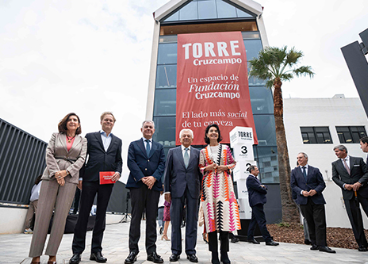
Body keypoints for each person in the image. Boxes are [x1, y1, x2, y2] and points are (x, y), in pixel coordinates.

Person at [29, 113, 87, 264]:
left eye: (75, 120)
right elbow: (49, 153)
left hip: (70, 178)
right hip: (50, 176)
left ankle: (52, 254)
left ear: (79, 124)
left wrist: (66, 172)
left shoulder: (83, 140)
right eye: (70, 119)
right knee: (42, 215)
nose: (72, 121)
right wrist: (56, 173)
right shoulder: (55, 136)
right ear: (65, 123)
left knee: (61, 218)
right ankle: (36, 254)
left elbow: (82, 159)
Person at [70, 112, 122, 264]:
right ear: (101, 121)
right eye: (106, 119)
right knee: (83, 214)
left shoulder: (117, 141)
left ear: (113, 123)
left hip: (107, 182)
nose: (108, 122)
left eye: (111, 120)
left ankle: (96, 250)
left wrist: (118, 172)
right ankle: (77, 252)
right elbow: (82, 157)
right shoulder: (90, 136)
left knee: (101, 216)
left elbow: (119, 160)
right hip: (89, 180)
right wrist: (80, 177)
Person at [199, 124, 241, 264]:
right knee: (211, 223)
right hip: (209, 188)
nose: (213, 133)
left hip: (224, 186)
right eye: (211, 131)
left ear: (218, 134)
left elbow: (233, 163)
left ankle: (225, 254)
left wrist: (225, 167)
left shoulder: (226, 148)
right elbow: (200, 168)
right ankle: (214, 255)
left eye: (215, 131)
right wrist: (207, 168)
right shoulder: (203, 151)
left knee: (224, 222)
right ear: (207, 134)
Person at [124, 120, 165, 264]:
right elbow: (131, 162)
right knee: (135, 219)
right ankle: (133, 251)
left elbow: (162, 164)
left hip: (153, 187)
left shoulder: (159, 147)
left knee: (151, 220)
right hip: (137, 185)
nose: (148, 129)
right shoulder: (133, 145)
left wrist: (153, 178)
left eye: (151, 127)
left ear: (154, 130)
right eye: (146, 127)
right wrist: (142, 178)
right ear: (141, 129)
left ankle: (151, 252)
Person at [164, 129, 202, 263]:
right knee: (175, 222)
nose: (186, 137)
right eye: (184, 136)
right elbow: (167, 172)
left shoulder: (199, 153)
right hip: (176, 191)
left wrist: (202, 191)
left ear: (192, 139)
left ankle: (191, 252)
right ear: (180, 139)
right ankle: (175, 252)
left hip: (193, 190)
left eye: (188, 136)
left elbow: (201, 173)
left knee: (192, 222)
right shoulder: (172, 152)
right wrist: (166, 191)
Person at [290, 152, 335, 253]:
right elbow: (293, 185)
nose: (299, 159)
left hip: (317, 200)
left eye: (301, 157)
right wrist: (301, 192)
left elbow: (321, 184)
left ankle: (322, 245)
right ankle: (314, 243)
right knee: (310, 222)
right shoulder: (294, 171)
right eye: (297, 158)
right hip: (303, 201)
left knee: (320, 222)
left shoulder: (315, 170)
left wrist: (315, 191)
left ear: (306, 158)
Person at [332, 145, 368, 252]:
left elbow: (367, 172)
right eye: (335, 152)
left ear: (344, 151)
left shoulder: (358, 160)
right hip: (348, 194)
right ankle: (362, 244)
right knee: (355, 219)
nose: (336, 153)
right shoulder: (335, 164)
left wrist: (359, 182)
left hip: (363, 192)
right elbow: (334, 177)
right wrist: (344, 185)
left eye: (337, 151)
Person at [246, 165, 279, 247]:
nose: (258, 171)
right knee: (262, 221)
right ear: (252, 171)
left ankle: (250, 237)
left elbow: (263, 187)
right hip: (256, 202)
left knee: (254, 220)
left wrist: (263, 187)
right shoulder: (250, 179)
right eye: (256, 170)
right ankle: (268, 240)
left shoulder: (255, 179)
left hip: (257, 202)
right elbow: (261, 189)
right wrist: (263, 187)